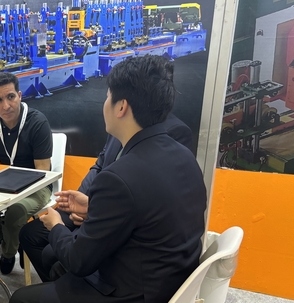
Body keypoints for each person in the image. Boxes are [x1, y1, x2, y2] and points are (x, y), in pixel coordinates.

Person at [8, 55, 207, 303]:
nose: (103, 103)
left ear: (121, 106)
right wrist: (93, 206)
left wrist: (55, 224)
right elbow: (146, 215)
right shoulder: (182, 157)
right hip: (169, 296)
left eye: (106, 95)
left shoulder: (122, 175)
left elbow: (80, 260)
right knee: (57, 270)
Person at [20, 112, 194, 282]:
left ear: (122, 104)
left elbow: (145, 198)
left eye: (109, 97)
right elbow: (99, 165)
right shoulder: (118, 127)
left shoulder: (174, 133)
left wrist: (94, 208)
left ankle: (65, 291)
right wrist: (84, 201)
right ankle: (56, 289)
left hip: (114, 215)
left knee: (53, 256)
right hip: (90, 204)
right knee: (29, 234)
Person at [0, 72, 53, 274]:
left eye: (10, 97)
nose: (6, 106)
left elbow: (42, 172)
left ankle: (8, 252)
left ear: (19, 95)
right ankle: (18, 235)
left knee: (16, 211)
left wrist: (9, 198)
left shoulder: (37, 122)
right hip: (3, 184)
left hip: (37, 187)